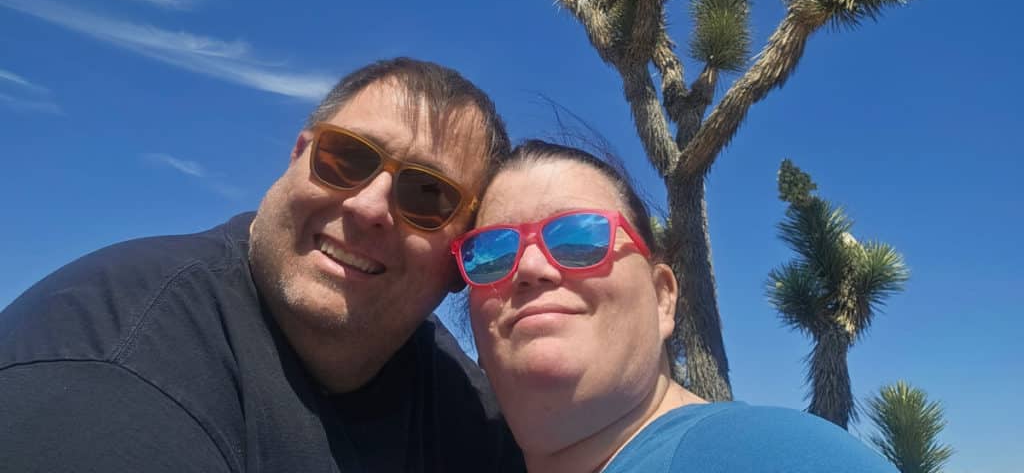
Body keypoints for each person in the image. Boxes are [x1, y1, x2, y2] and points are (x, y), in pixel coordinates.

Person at [0, 57, 525, 473]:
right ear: (298, 156)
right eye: (347, 158)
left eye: (427, 195)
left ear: (464, 258)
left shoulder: (460, 399)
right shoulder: (110, 368)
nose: (368, 207)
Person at [453, 139, 896, 472]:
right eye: (489, 254)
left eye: (579, 238)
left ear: (663, 297)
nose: (530, 265)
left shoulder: (771, 456)